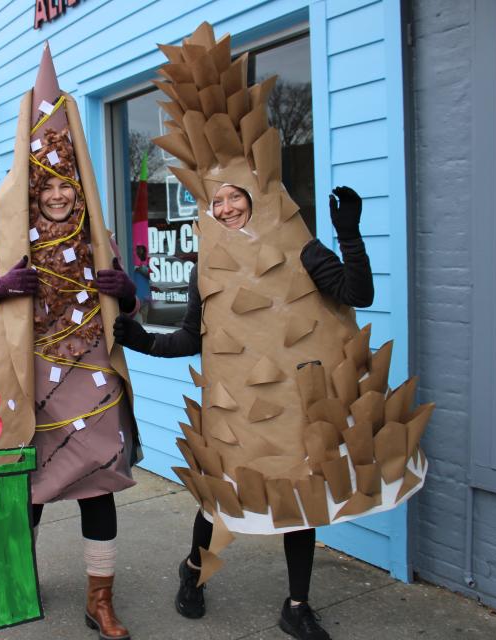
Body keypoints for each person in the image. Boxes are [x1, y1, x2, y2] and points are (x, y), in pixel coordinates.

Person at [114, 185, 373, 640]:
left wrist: (348, 235)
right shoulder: (207, 267)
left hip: (296, 405)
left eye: (236, 196)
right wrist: (146, 341)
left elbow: (358, 293)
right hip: (235, 406)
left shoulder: (302, 250)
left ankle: (297, 605)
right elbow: (192, 337)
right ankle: (194, 570)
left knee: (302, 503)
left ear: (258, 198)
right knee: (218, 500)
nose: (227, 208)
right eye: (217, 201)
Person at [0, 44, 140, 640]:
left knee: (99, 485)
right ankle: (16, 581)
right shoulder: (11, 239)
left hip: (92, 373)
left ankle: (100, 601)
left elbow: (125, 300)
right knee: (29, 491)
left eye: (67, 186)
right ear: (35, 189)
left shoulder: (98, 234)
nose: (59, 195)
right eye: (50, 188)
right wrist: (0, 289)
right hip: (32, 379)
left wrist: (130, 292)